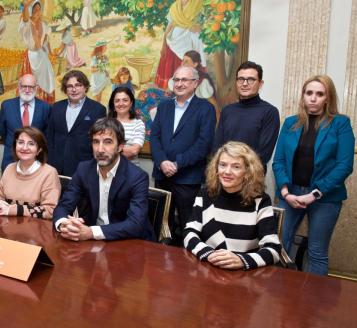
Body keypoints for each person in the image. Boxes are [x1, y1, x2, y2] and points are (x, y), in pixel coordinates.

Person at [272, 74, 355, 275]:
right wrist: (285, 193)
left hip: (325, 198)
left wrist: (314, 194)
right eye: (309, 93)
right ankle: (279, 301)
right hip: (290, 194)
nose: (313, 98)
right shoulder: (291, 122)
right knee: (277, 247)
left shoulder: (340, 123)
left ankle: (313, 305)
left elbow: (345, 166)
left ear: (328, 98)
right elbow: (279, 161)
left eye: (320, 94)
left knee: (317, 252)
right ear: (303, 96)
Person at [184, 141, 282, 270]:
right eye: (223, 165)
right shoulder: (205, 194)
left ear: (248, 171)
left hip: (244, 276)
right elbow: (189, 233)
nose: (227, 172)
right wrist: (209, 254)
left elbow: (273, 249)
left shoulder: (261, 200)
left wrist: (242, 260)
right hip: (209, 269)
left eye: (236, 167)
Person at [53, 118, 154, 241]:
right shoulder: (83, 169)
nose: (100, 149)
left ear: (120, 146)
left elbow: (135, 224)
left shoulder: (137, 177)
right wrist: (64, 224)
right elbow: (64, 205)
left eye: (108, 142)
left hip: (128, 242)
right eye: (96, 142)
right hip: (92, 244)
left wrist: (91, 232)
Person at [150, 66, 216, 245]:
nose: (179, 84)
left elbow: (204, 144)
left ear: (195, 83)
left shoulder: (205, 109)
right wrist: (162, 161)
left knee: (189, 226)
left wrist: (177, 164)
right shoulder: (164, 106)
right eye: (176, 79)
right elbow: (154, 138)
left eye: (184, 80)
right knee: (161, 225)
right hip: (162, 175)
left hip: (188, 178)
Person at [214, 61, 280, 172]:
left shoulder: (270, 112)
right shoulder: (227, 110)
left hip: (252, 178)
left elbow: (263, 154)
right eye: (241, 79)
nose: (245, 84)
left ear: (260, 83)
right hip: (225, 174)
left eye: (251, 79)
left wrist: (237, 170)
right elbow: (217, 147)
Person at [0, 127, 60, 219]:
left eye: (31, 144)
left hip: (36, 229)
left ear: (39, 150)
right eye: (20, 142)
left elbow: (50, 210)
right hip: (6, 226)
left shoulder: (49, 173)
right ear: (15, 146)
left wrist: (13, 210)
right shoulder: (9, 168)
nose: (24, 147)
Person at [47, 70, 107, 176]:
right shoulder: (56, 107)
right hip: (55, 167)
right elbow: (49, 137)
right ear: (65, 89)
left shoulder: (98, 109)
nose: (74, 89)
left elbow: (100, 141)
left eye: (78, 85)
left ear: (85, 87)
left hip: (84, 168)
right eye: (70, 86)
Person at [155, 0, 206, 89]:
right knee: (173, 69)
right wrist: (163, 44)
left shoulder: (198, 3)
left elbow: (206, 20)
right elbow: (169, 25)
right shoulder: (174, 6)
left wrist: (200, 27)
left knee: (189, 66)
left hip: (191, 40)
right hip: (174, 41)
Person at [0, 74, 51, 171]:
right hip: (10, 158)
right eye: (24, 86)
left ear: (37, 88)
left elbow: (46, 134)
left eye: (31, 87)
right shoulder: (6, 105)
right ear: (19, 86)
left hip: (36, 161)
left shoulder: (46, 108)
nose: (27, 90)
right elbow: (2, 131)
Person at [19, 0, 56, 104]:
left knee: (47, 81)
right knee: (30, 82)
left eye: (39, 10)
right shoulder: (27, 24)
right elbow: (25, 17)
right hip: (31, 57)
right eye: (35, 10)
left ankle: (44, 104)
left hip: (41, 56)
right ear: (31, 11)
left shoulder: (44, 25)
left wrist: (48, 51)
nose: (37, 12)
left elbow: (45, 40)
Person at [108, 87, 145, 165]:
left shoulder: (138, 124)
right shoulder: (106, 123)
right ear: (113, 104)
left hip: (130, 172)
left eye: (125, 100)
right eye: (117, 101)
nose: (121, 104)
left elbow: (134, 150)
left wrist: (109, 150)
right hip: (107, 170)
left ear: (131, 103)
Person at [182, 50, 217, 117]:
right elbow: (168, 92)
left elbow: (214, 105)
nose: (182, 64)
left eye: (186, 62)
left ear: (195, 64)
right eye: (183, 60)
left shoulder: (203, 81)